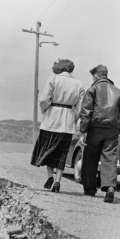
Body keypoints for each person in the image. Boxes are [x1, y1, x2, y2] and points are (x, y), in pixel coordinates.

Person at [31, 58, 85, 193]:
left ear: (58, 68)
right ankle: (57, 181)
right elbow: (80, 107)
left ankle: (50, 176)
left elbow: (44, 99)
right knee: (61, 152)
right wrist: (74, 118)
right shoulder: (79, 84)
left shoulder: (53, 79)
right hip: (67, 122)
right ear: (71, 69)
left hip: (51, 119)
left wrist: (45, 110)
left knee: (48, 149)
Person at [79, 64, 120, 203]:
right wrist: (119, 129)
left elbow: (86, 112)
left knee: (90, 158)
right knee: (110, 159)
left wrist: (83, 131)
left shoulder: (92, 89)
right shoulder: (119, 92)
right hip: (112, 129)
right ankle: (110, 187)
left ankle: (89, 189)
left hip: (95, 128)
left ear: (95, 75)